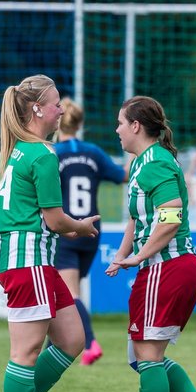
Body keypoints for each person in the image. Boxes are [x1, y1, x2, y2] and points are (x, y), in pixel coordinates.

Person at [105, 96, 196, 392]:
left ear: (137, 126)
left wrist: (141, 255)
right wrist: (123, 254)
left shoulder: (155, 162)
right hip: (164, 268)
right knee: (139, 356)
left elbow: (170, 216)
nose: (117, 130)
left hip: (167, 268)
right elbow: (135, 218)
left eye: (121, 123)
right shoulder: (143, 163)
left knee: (148, 356)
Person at [0, 75, 100, 392]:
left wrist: (61, 228)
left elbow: (34, 216)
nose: (61, 110)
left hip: (30, 259)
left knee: (72, 339)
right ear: (37, 109)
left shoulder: (12, 151)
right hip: (28, 261)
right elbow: (53, 220)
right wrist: (80, 226)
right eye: (55, 104)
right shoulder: (43, 154)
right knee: (26, 351)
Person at [53, 98, 126, 366]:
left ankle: (90, 342)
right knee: (69, 291)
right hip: (93, 230)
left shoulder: (53, 153)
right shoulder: (93, 152)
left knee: (69, 292)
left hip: (66, 231)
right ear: (81, 124)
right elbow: (122, 176)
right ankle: (58, 342)